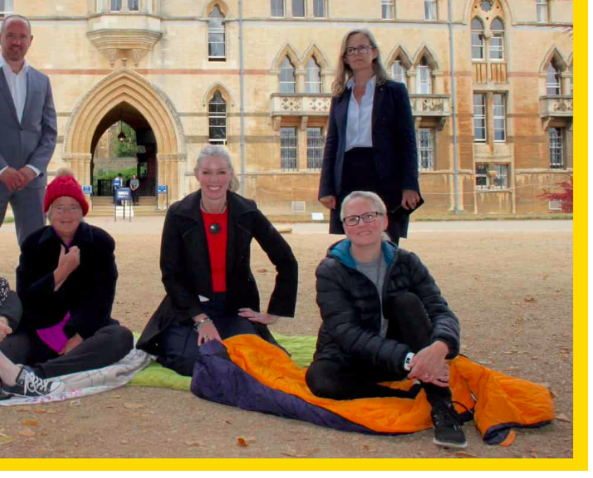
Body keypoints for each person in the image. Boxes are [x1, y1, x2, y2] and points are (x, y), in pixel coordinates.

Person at [306, 191, 466, 448]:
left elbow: (440, 311)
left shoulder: (407, 262)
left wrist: (439, 348)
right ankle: (405, 395)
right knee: (319, 379)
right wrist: (410, 359)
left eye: (370, 216)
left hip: (397, 353)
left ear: (384, 221)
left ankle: (442, 407)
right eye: (353, 219)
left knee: (407, 302)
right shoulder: (331, 270)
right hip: (354, 356)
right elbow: (345, 332)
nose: (362, 224)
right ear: (344, 226)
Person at [137, 145, 298, 376]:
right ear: (197, 175)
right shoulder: (178, 213)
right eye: (207, 172)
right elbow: (171, 274)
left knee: (248, 360)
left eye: (221, 172)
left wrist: (275, 311)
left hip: (233, 308)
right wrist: (201, 320)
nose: (214, 179)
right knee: (192, 362)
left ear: (231, 174)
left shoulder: (247, 211)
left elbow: (286, 259)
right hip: (190, 308)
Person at [0, 169, 134, 378]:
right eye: (59, 208)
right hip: (39, 331)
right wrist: (59, 274)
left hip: (84, 333)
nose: (66, 214)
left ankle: (41, 373)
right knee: (0, 351)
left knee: (121, 337)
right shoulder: (33, 244)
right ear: (49, 212)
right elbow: (26, 298)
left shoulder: (100, 242)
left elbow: (102, 299)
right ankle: (64, 365)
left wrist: (79, 336)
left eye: (73, 207)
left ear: (82, 212)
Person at [0, 14, 57, 255]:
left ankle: (34, 293)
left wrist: (32, 169)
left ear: (30, 40)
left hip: (31, 180)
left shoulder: (42, 81)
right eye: (11, 36)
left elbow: (49, 132)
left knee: (36, 248)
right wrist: (1, 169)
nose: (16, 42)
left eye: (22, 37)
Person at [318, 28, 421, 245]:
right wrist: (326, 188)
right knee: (355, 239)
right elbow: (332, 143)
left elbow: (408, 141)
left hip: (384, 173)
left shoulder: (395, 91)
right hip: (348, 173)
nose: (357, 53)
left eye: (362, 48)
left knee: (387, 238)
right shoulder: (340, 95)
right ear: (345, 57)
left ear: (373, 52)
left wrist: (410, 184)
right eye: (351, 49)